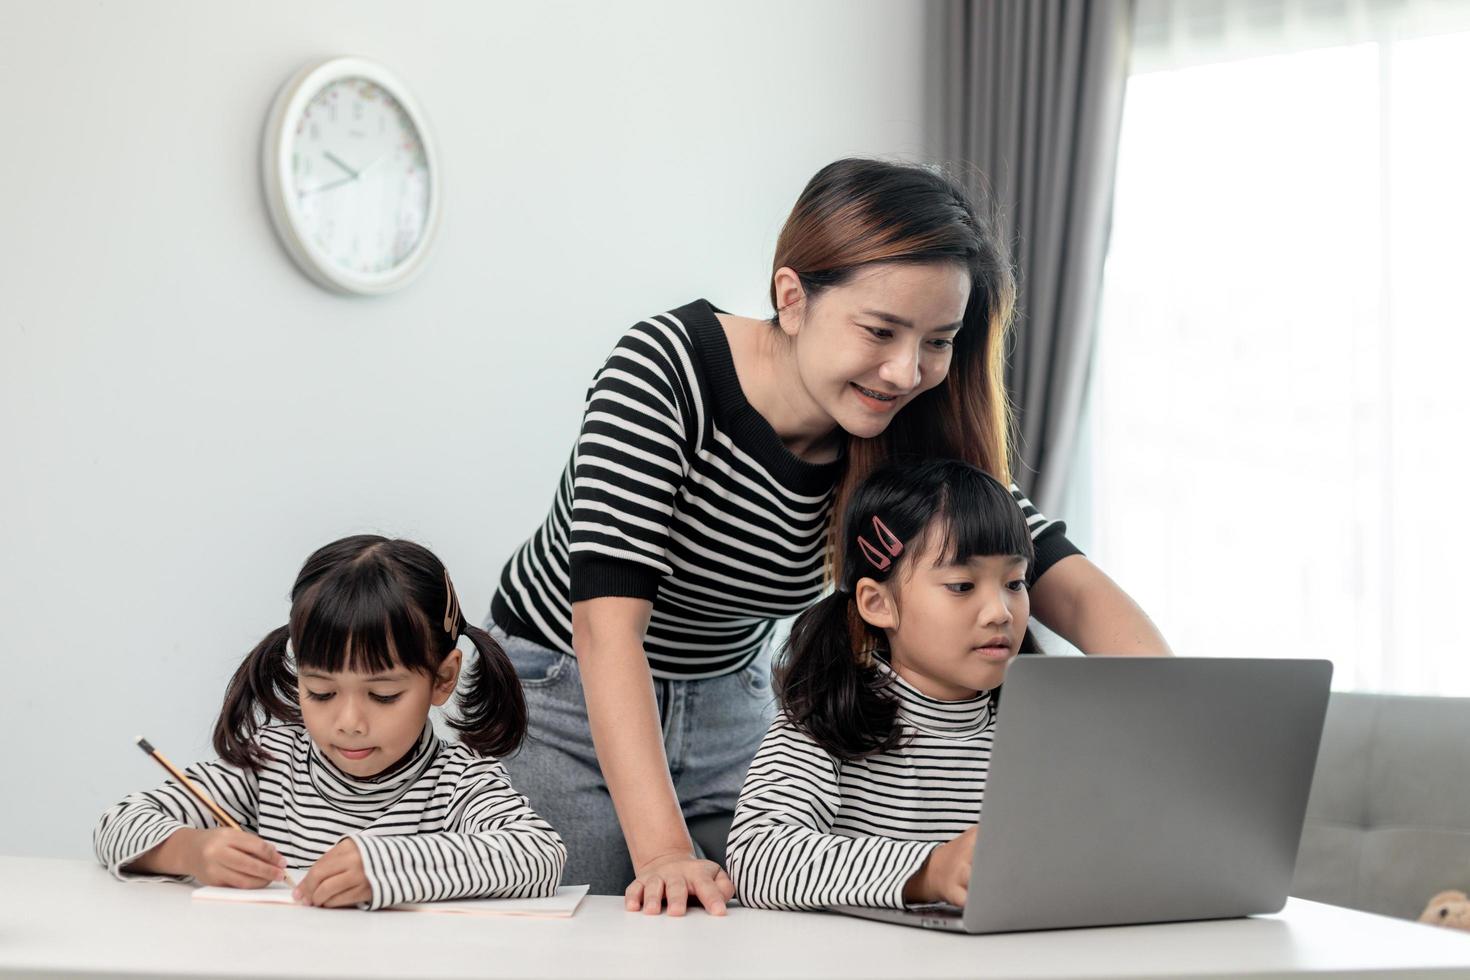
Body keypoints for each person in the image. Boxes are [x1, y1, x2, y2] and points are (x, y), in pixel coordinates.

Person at [487, 157, 1170, 914]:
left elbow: (1057, 579)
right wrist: (666, 851)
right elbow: (604, 629)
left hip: (728, 697)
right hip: (563, 689)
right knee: (593, 929)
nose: (906, 371)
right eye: (880, 330)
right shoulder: (667, 371)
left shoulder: (904, 424)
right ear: (792, 298)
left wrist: (1170, 713)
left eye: (937, 341)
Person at [94, 535, 566, 910]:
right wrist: (192, 852)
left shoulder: (460, 782)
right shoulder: (271, 763)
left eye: (383, 695)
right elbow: (116, 824)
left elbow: (540, 856)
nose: (349, 722)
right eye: (321, 692)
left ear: (442, 679)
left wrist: (388, 868)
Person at [726, 457, 1029, 910]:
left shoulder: (1038, 730)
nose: (1000, 612)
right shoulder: (826, 719)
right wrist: (928, 872)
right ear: (878, 603)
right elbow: (756, 857)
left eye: (1015, 582)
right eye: (963, 585)